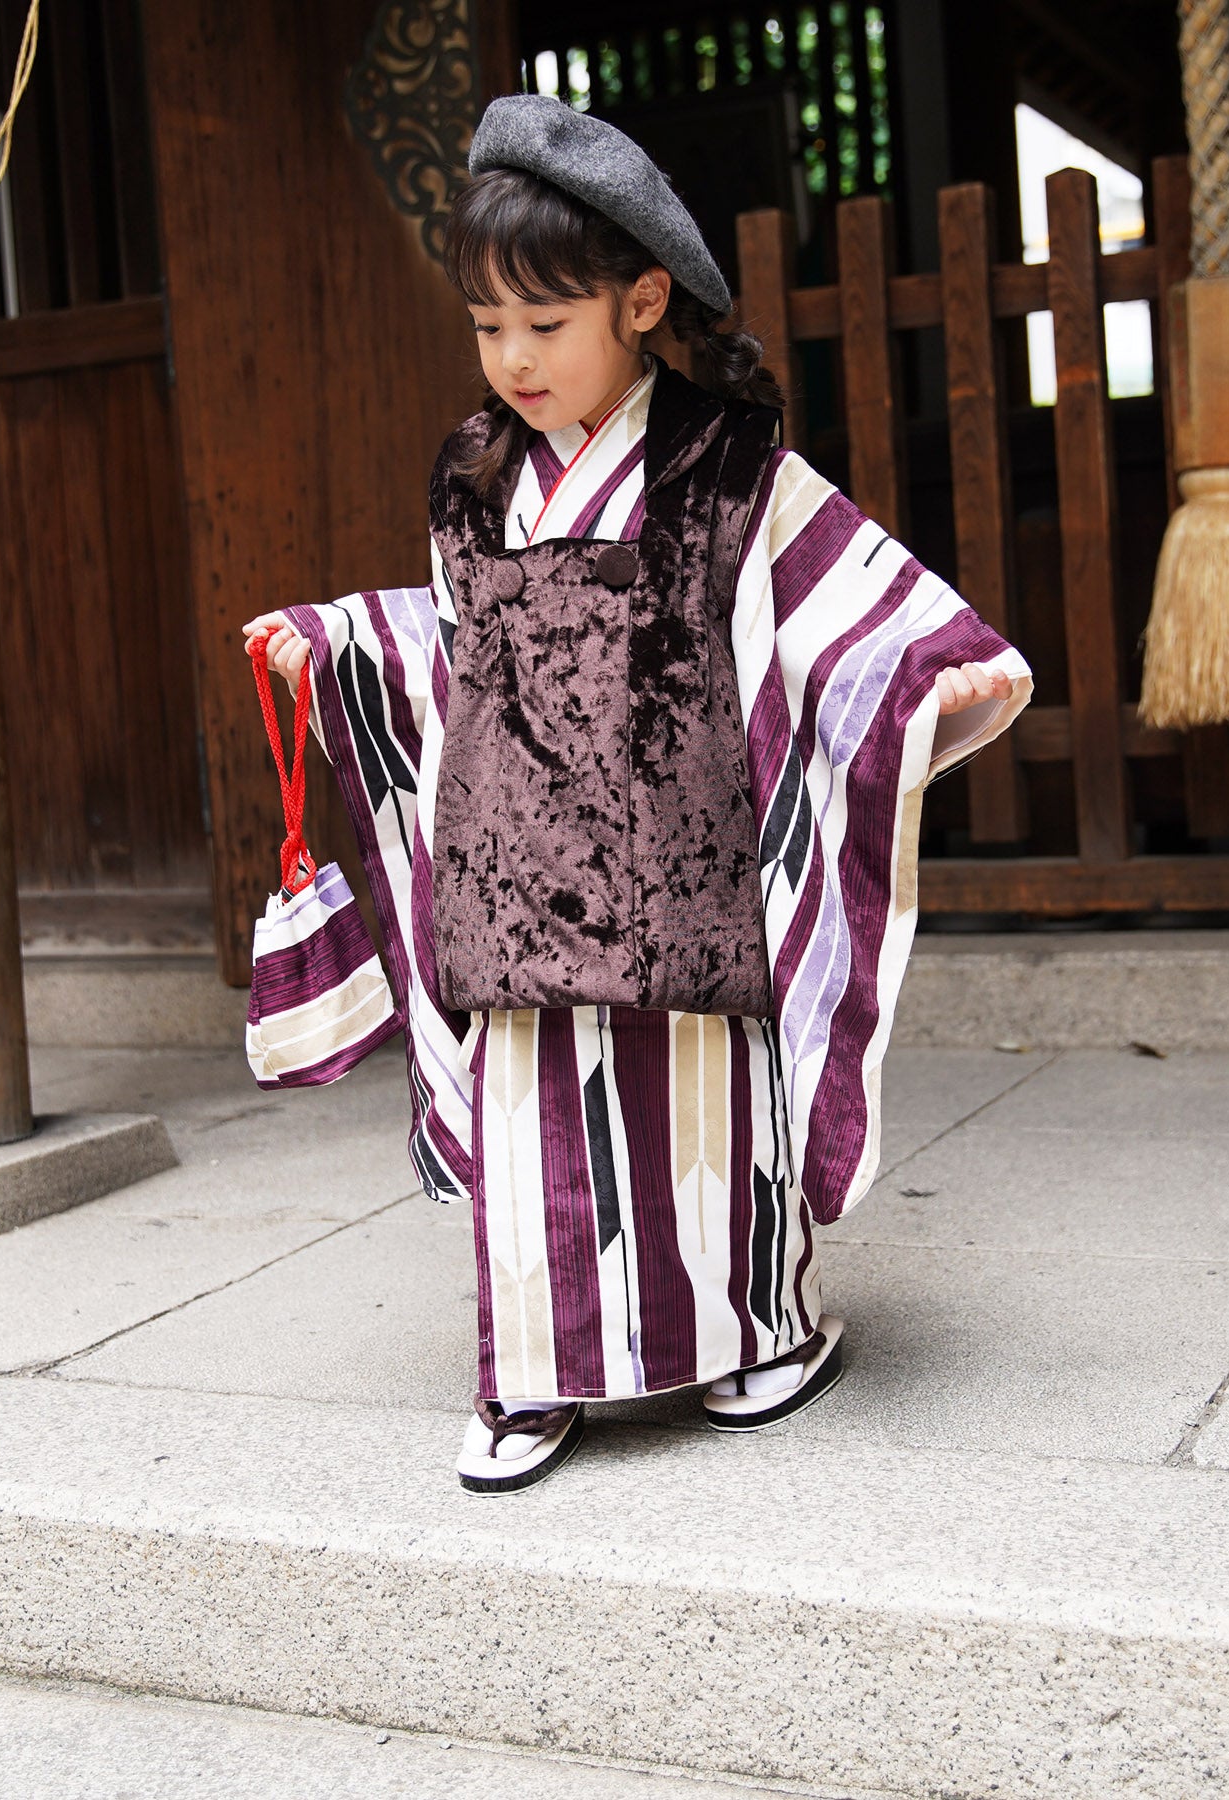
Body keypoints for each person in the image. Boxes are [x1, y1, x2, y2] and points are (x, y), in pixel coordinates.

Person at [243, 95, 1030, 1495]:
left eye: (546, 326)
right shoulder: (477, 477)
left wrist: (915, 677)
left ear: (642, 298)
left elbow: (828, 606)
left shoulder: (731, 463)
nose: (513, 360)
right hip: (513, 867)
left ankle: (749, 1338)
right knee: (536, 1115)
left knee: (701, 1110)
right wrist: (342, 637)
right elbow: (462, 647)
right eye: (489, 327)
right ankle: (533, 1376)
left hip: (683, 863)